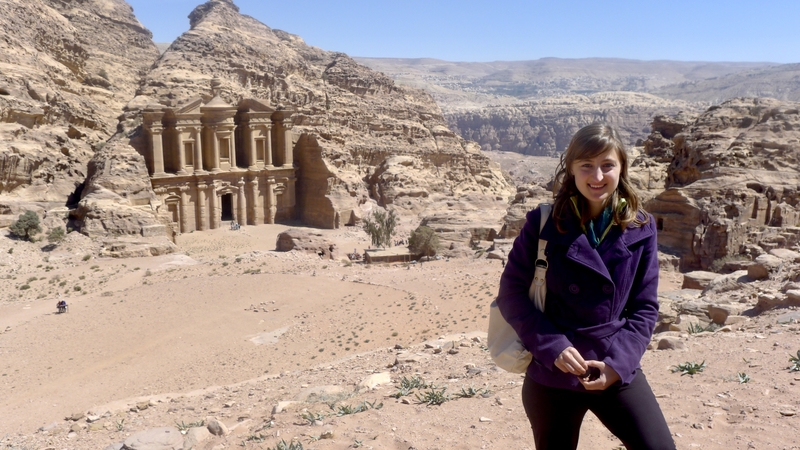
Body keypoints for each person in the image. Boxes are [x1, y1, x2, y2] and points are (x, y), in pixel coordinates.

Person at [496, 123, 674, 449]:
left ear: (622, 167)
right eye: (586, 166)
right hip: (553, 372)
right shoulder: (544, 222)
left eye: (607, 165)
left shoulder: (641, 227)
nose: (597, 176)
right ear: (572, 169)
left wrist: (618, 365)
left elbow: (644, 306)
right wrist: (553, 347)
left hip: (613, 365)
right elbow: (511, 294)